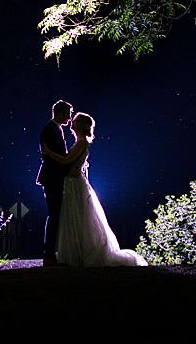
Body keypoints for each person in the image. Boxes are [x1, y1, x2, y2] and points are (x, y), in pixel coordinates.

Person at [41, 111, 148, 267]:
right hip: (72, 183)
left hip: (75, 184)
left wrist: (49, 153)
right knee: (74, 218)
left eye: (76, 121)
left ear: (82, 125)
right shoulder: (79, 142)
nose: (72, 122)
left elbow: (66, 160)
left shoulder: (82, 142)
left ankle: (81, 253)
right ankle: (77, 252)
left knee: (78, 217)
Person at [35, 99, 73, 266]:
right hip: (52, 177)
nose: (70, 119)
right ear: (60, 113)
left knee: (55, 214)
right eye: (68, 115)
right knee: (54, 214)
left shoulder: (55, 129)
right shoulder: (50, 130)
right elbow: (51, 156)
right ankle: (49, 254)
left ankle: (51, 252)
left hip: (54, 176)